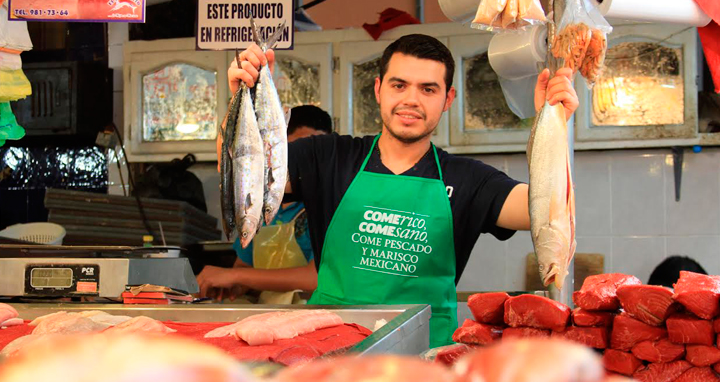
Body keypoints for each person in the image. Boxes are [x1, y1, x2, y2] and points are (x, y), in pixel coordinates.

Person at [220, 34, 579, 347]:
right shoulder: (326, 157)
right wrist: (237, 105)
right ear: (378, 89)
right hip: (332, 351)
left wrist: (550, 126)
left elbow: (546, 209)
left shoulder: (470, 179)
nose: (411, 99)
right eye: (399, 85)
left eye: (428, 89)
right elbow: (241, 175)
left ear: (448, 98)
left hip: (423, 360)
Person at [197, 105, 333, 300]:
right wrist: (232, 286)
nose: (307, 163)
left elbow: (316, 278)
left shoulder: (330, 204)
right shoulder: (259, 206)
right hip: (265, 314)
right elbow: (245, 266)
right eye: (299, 152)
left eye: (316, 155)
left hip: (310, 314)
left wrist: (234, 276)